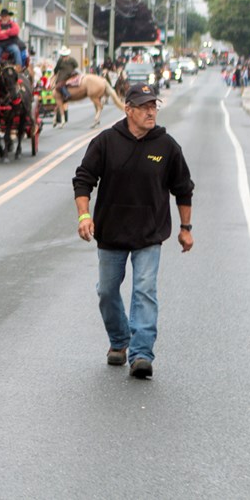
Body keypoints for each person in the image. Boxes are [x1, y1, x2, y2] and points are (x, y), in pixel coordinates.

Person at [73, 83, 195, 380]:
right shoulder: (106, 142)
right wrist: (84, 216)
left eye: (153, 105)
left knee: (144, 291)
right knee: (106, 291)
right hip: (112, 232)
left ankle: (142, 353)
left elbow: (183, 189)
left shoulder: (167, 147)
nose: (151, 111)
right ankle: (119, 340)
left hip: (149, 234)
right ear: (128, 109)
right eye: (144, 107)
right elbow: (83, 180)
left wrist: (186, 228)